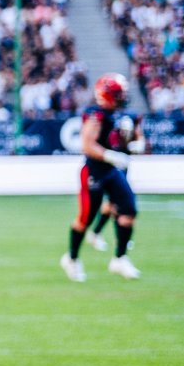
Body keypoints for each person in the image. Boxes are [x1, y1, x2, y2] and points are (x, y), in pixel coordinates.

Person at [65, 73, 144, 282]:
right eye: (118, 94)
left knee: (129, 210)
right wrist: (110, 155)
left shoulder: (120, 115)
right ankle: (71, 258)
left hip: (111, 171)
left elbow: (133, 136)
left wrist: (136, 145)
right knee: (85, 219)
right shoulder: (96, 115)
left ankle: (119, 258)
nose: (122, 98)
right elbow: (87, 145)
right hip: (94, 172)